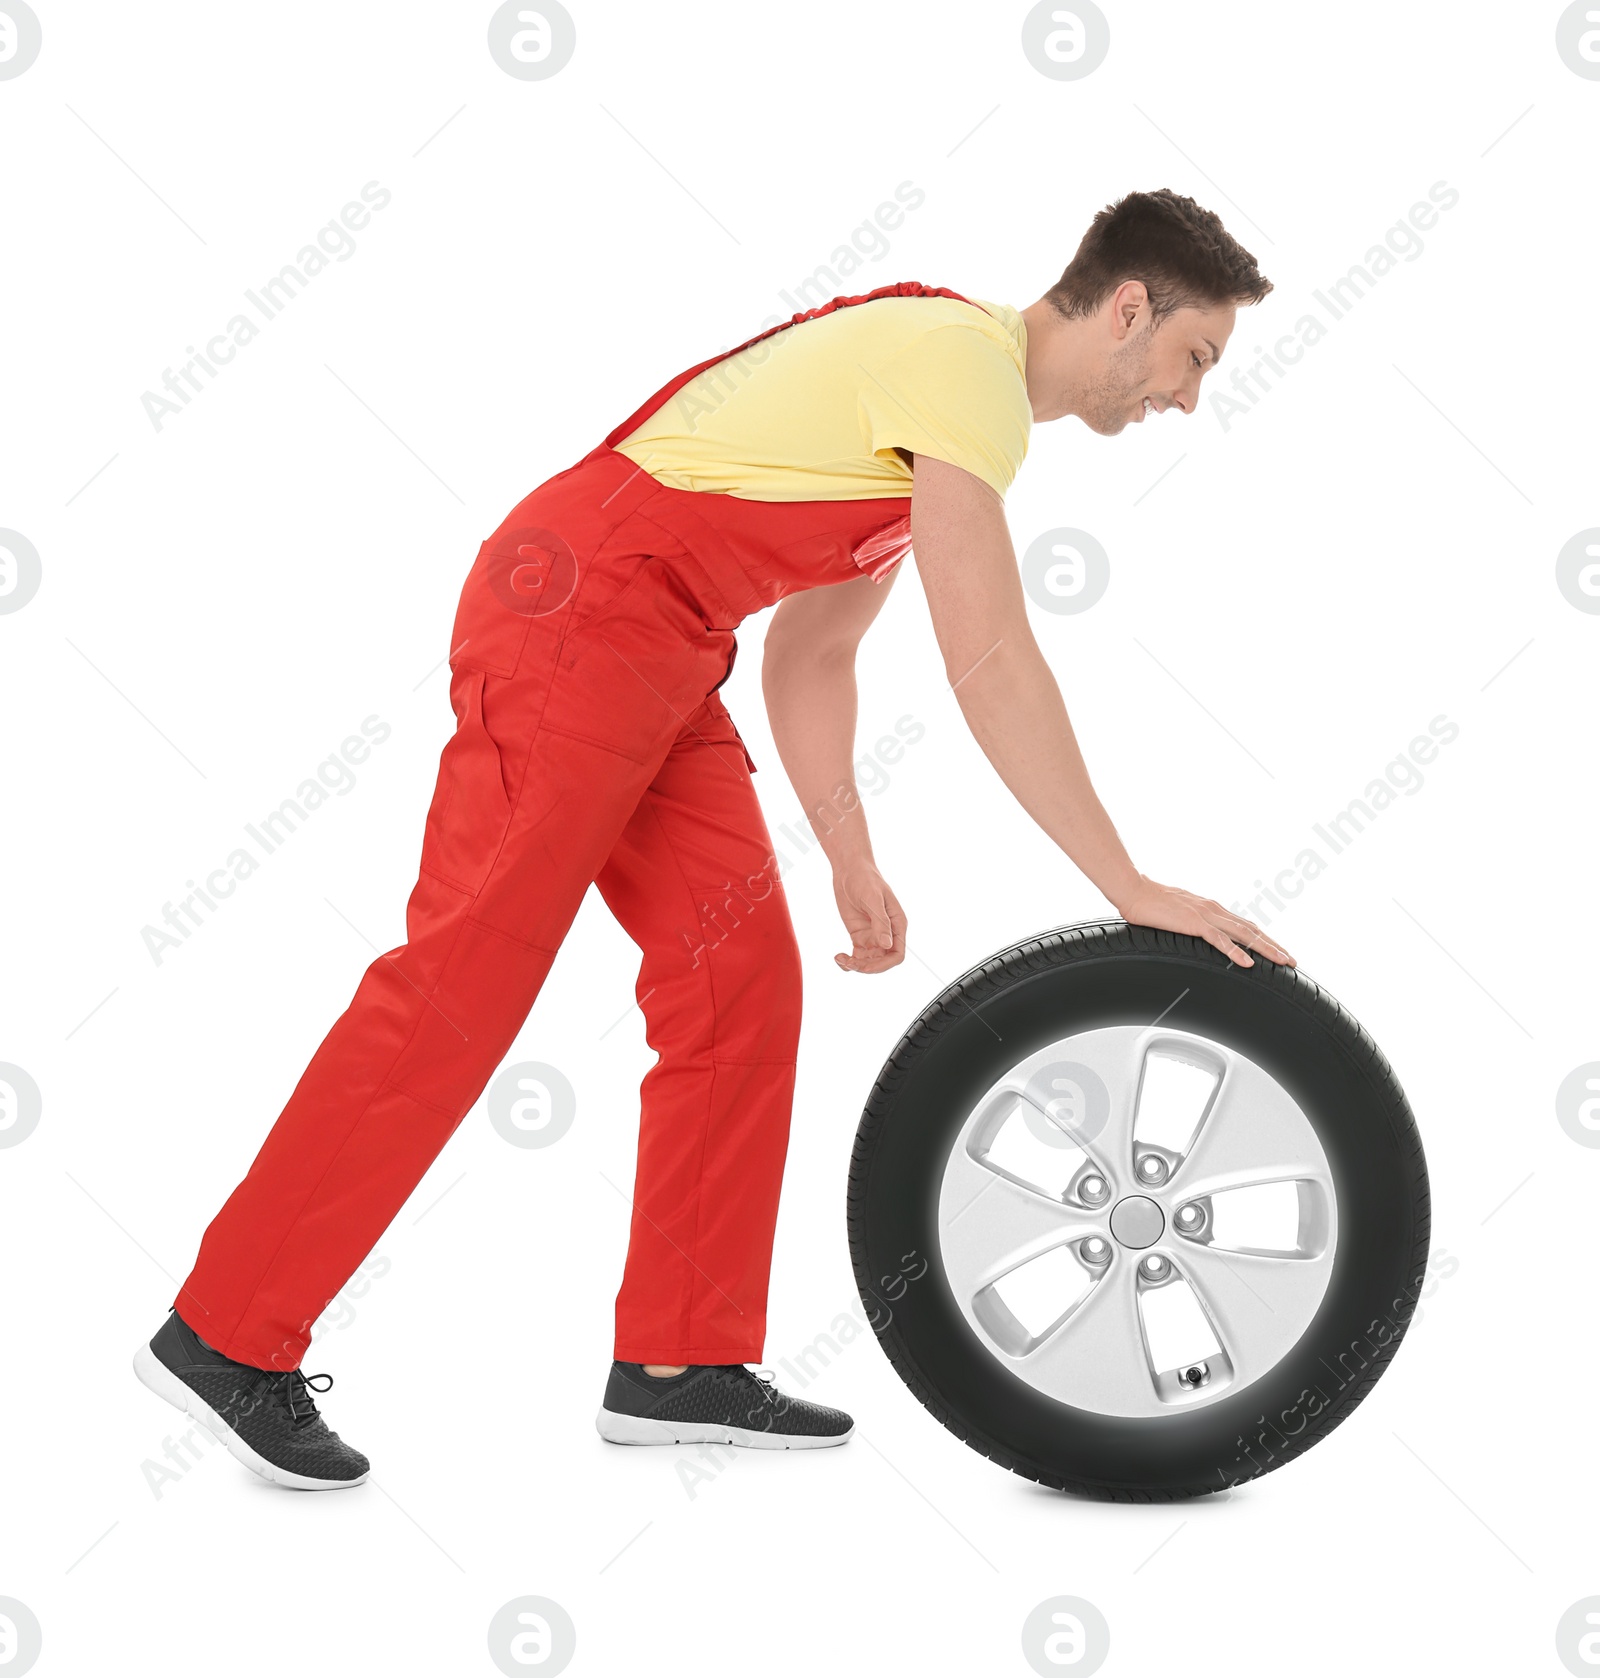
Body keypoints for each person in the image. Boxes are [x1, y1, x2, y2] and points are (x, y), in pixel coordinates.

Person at [134, 187, 1295, 1489]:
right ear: (1130, 306)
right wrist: (1130, 882)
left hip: (661, 649)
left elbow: (815, 648)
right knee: (462, 984)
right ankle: (229, 1330)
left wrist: (847, 851)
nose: (1188, 397)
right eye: (1195, 356)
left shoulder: (938, 407)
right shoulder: (959, 368)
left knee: (737, 983)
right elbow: (989, 651)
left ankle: (680, 1361)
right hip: (580, 613)